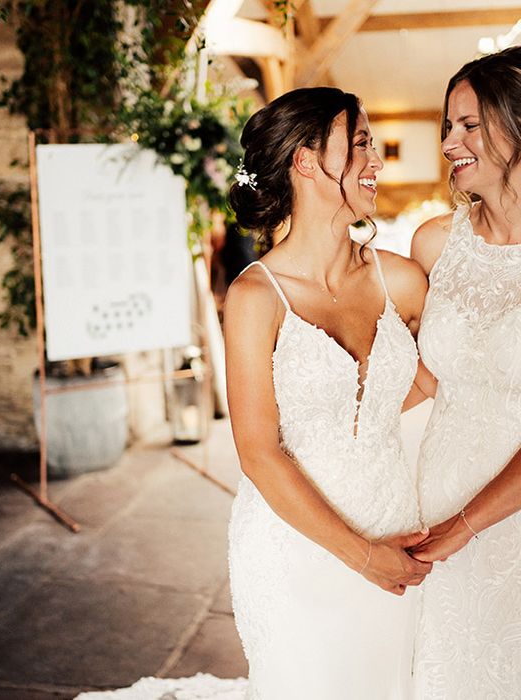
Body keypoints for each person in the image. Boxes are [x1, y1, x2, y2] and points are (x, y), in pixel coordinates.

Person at [224, 86, 432, 699]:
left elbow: (432, 382)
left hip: (396, 530)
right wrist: (363, 556)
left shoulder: (402, 281)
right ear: (306, 161)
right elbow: (258, 452)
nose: (376, 161)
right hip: (294, 552)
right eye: (360, 143)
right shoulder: (255, 298)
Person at [409, 46, 521, 698]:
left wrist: (464, 529)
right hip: (436, 500)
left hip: (505, 521)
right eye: (447, 126)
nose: (450, 142)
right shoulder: (432, 243)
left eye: (469, 125)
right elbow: (427, 377)